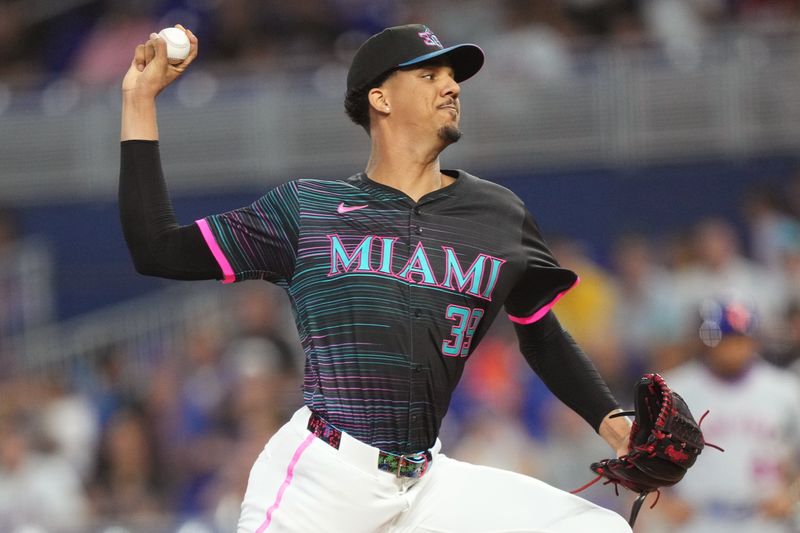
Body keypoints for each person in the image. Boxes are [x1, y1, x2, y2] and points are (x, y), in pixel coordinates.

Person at [118, 23, 633, 532]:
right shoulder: (308, 210)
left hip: (428, 484)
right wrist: (140, 98)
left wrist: (616, 427)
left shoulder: (500, 216)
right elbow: (158, 248)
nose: (452, 86)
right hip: (326, 477)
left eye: (452, 76)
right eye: (430, 75)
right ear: (380, 99)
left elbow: (541, 334)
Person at [654, 299, 800, 533]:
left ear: (754, 341)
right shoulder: (671, 390)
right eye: (723, 340)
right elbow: (636, 451)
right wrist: (663, 498)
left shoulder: (785, 389)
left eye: (739, 339)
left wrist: (793, 495)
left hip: (765, 519)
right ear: (706, 342)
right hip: (698, 519)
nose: (732, 348)